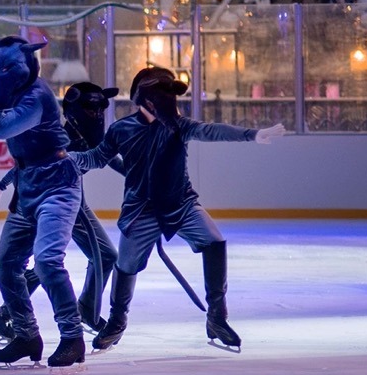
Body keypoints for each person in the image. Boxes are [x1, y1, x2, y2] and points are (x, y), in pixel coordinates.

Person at [72, 66, 285, 352]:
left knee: (214, 241)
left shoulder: (178, 126)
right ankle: (117, 321)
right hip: (140, 211)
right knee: (126, 265)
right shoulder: (121, 130)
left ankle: (217, 318)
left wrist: (252, 135)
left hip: (181, 204)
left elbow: (210, 131)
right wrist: (66, 159)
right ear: (146, 100)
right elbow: (97, 158)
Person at [0, 34, 86, 373]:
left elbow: (2, 128)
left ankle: (72, 336)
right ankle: (26, 335)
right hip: (27, 188)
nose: (1, 74)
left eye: (7, 67)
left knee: (48, 261)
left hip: (58, 186)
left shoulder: (36, 96)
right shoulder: (18, 94)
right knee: (5, 264)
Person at [0, 81, 121, 340]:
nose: (98, 115)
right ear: (74, 111)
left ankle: (84, 310)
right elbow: (28, 165)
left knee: (98, 256)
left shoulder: (87, 138)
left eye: (101, 109)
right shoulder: (61, 138)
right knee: (55, 261)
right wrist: (0, 186)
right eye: (92, 109)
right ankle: (8, 315)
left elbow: (109, 158)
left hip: (73, 201)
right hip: (48, 200)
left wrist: (142, 176)